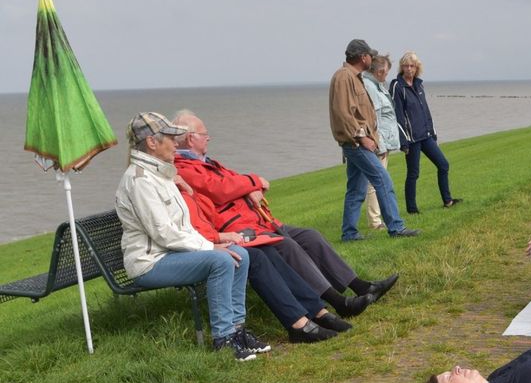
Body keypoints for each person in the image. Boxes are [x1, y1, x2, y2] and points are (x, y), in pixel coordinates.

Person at [171, 111, 398, 318]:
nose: (209, 138)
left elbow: (230, 181)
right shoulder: (185, 168)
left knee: (310, 236)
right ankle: (340, 303)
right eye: (205, 134)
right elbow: (220, 189)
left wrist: (248, 187)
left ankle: (362, 287)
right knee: (288, 245)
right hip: (238, 229)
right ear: (191, 138)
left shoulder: (204, 163)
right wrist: (255, 182)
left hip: (259, 221)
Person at [114, 112, 265, 361]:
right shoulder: (140, 181)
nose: (176, 143)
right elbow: (163, 233)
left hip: (171, 253)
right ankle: (223, 339)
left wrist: (215, 241)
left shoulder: (159, 175)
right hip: (150, 263)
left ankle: (238, 331)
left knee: (240, 254)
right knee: (222, 260)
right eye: (171, 138)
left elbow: (179, 227)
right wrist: (209, 247)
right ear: (152, 143)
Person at [179, 184, 348, 343]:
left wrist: (192, 193)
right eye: (171, 149)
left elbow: (211, 208)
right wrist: (215, 239)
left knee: (270, 251)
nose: (172, 150)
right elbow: (217, 190)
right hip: (197, 244)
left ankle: (316, 312)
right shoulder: (179, 171)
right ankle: (297, 322)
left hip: (218, 235)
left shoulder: (189, 173)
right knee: (257, 256)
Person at [329, 38, 418, 240]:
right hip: (357, 143)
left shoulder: (354, 77)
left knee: (356, 189)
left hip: (357, 141)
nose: (372, 58)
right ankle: (396, 227)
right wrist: (363, 139)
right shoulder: (344, 77)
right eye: (370, 55)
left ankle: (349, 233)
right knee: (383, 180)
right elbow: (344, 114)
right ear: (363, 57)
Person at [390, 51, 461, 214]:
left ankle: (448, 200)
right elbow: (397, 115)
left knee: (443, 164)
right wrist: (403, 141)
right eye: (406, 66)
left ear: (417, 68)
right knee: (414, 173)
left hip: (426, 135)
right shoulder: (397, 86)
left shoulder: (419, 84)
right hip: (411, 139)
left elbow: (425, 110)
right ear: (401, 67)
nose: (409, 69)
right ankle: (412, 209)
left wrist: (432, 132)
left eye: (412, 66)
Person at [361, 53, 407, 230]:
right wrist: (379, 143)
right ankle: (375, 221)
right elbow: (375, 118)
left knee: (373, 181)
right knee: (376, 181)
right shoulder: (371, 87)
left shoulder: (376, 85)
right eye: (386, 72)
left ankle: (376, 219)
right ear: (379, 71)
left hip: (382, 140)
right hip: (378, 142)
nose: (387, 75)